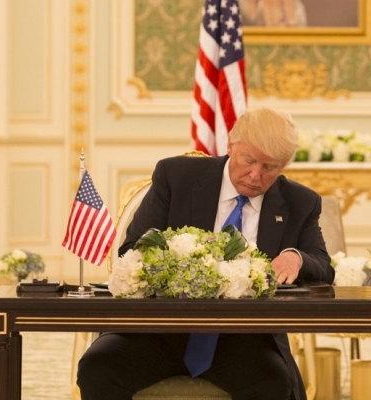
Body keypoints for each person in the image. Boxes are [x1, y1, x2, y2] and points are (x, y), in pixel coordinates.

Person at [77, 107, 335, 400]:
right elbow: (132, 249)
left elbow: (323, 266)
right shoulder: (176, 177)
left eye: (269, 167)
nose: (255, 175)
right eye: (249, 160)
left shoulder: (300, 202)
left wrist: (296, 257)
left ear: (283, 166)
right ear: (231, 145)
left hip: (242, 340)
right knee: (98, 368)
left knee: (274, 382)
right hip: (156, 330)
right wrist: (177, 263)